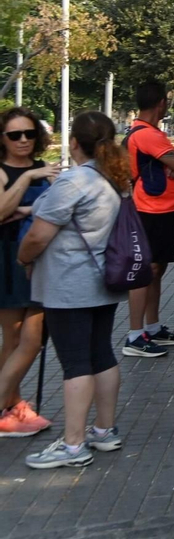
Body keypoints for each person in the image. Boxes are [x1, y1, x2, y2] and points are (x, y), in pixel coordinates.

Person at [17, 112, 128, 469]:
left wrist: (23, 257)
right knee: (102, 354)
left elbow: (38, 235)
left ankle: (73, 444)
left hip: (69, 285)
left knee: (75, 363)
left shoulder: (75, 180)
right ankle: (104, 430)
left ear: (75, 143)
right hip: (104, 281)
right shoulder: (114, 177)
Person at [123, 80, 174, 358]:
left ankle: (151, 327)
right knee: (146, 271)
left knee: (156, 270)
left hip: (159, 210)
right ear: (162, 103)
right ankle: (133, 335)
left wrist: (170, 164)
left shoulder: (145, 132)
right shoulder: (147, 135)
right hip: (148, 210)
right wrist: (173, 164)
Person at [0, 108, 56, 437]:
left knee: (32, 339)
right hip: (7, 258)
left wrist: (23, 208)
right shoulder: (8, 171)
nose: (23, 140)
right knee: (14, 338)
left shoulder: (43, 168)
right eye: (14, 135)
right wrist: (25, 180)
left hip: (39, 258)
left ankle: (12, 404)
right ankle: (10, 406)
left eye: (29, 133)